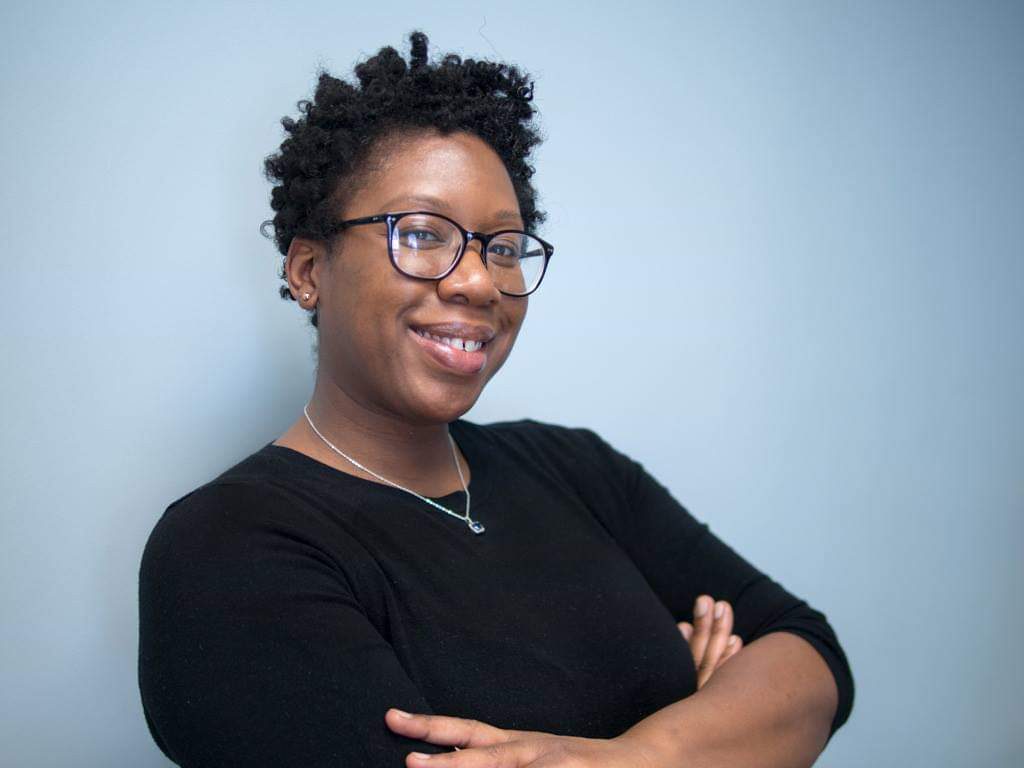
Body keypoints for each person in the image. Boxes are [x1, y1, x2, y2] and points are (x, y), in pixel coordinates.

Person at [137, 30, 854, 767]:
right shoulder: (228, 547)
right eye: (422, 234)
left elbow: (811, 661)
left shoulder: (575, 468)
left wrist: (634, 756)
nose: (479, 282)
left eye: (504, 246)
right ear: (309, 270)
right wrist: (715, 723)